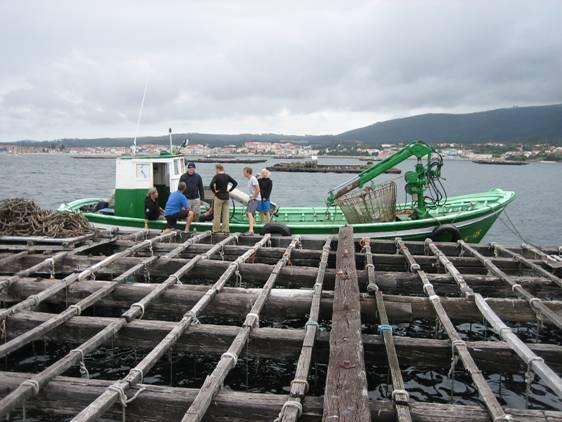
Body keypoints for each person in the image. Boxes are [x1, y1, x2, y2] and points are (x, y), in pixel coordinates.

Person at [209, 164, 238, 233]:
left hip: (219, 197)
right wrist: (229, 190)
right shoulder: (227, 176)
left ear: (218, 169)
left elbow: (211, 184)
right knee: (226, 214)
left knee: (217, 214)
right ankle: (226, 229)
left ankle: (216, 229)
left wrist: (215, 192)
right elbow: (235, 183)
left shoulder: (216, 176)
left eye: (215, 169)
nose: (215, 171)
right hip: (226, 197)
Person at [180, 161, 204, 232]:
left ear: (194, 169)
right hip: (186, 199)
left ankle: (196, 226)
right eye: (189, 169)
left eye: (192, 169)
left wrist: (202, 199)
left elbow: (201, 188)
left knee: (196, 214)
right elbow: (180, 188)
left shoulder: (198, 177)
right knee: (186, 214)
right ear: (187, 169)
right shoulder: (183, 177)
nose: (191, 170)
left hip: (195, 199)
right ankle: (186, 227)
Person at [243, 167, 260, 235]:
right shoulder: (250, 179)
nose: (243, 173)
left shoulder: (253, 179)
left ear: (247, 172)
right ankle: (254, 224)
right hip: (251, 199)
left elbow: (258, 189)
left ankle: (251, 230)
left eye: (244, 172)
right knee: (248, 213)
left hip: (254, 199)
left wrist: (254, 197)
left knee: (249, 212)